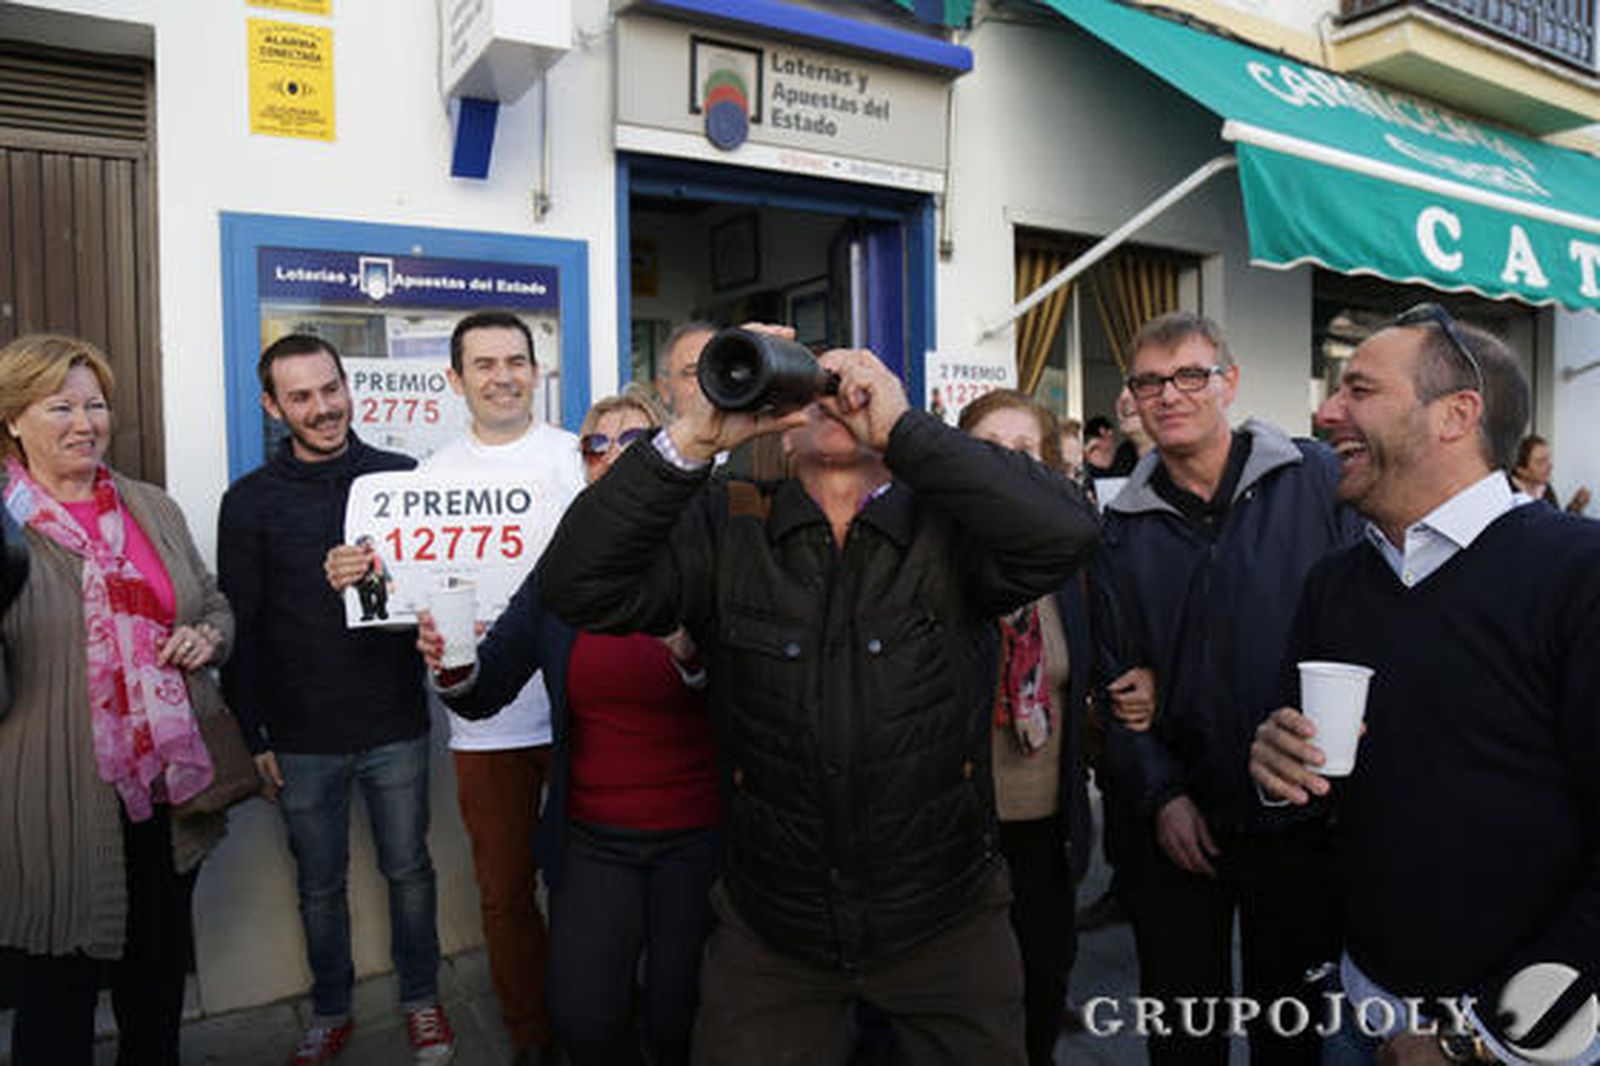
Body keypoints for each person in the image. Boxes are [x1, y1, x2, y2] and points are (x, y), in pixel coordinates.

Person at [538, 331, 1099, 1065]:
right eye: (814, 388)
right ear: (785, 421)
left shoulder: (950, 533)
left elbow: (1068, 532)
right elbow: (577, 585)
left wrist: (905, 429)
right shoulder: (728, 523)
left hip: (945, 915)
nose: (833, 400)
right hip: (774, 925)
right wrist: (690, 440)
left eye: (854, 383)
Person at [1250, 304, 1600, 1066]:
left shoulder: (1580, 574)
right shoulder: (1333, 585)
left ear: (1456, 416)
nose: (1326, 410)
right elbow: (1305, 813)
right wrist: (1277, 777)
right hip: (1358, 1011)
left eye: (1359, 390)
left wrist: (1481, 1039)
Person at [423, 385, 719, 1066]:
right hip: (593, 837)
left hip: (699, 839)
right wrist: (452, 664)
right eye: (597, 444)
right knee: (584, 1022)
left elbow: (766, 692)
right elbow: (483, 690)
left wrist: (691, 654)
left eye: (638, 443)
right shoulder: (565, 570)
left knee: (681, 1024)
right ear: (582, 464)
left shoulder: (716, 555)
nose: (614, 457)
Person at [1094, 311, 1358, 1066]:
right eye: (1149, 381)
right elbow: (1116, 682)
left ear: (1228, 383)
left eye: (1190, 375)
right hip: (1179, 820)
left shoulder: (1315, 479)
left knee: (1294, 1030)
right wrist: (1161, 796)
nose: (1169, 395)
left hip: (1303, 816)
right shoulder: (1117, 530)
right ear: (1133, 400)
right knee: (1183, 1032)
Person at [217, 334, 453, 1066]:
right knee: (318, 886)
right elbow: (240, 628)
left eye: (331, 389)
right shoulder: (249, 502)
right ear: (272, 406)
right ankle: (330, 1009)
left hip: (393, 720)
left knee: (409, 871)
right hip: (298, 733)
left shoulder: (400, 477)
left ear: (348, 386)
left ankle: (422, 1000)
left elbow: (431, 596)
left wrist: (379, 579)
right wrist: (251, 735)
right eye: (301, 397)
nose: (322, 409)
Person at [0, 334, 234, 1066]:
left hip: (163, 793)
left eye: (94, 404)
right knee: (54, 998)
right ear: (13, 420)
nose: (83, 422)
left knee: (156, 984)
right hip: (50, 799)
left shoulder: (150, 506)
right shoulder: (5, 525)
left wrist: (205, 637)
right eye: (59, 406)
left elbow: (216, 604)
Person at [420, 310, 585, 1065]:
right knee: (505, 893)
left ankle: (601, 1014)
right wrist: (362, 577)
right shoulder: (429, 480)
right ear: (456, 380)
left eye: (516, 360)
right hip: (486, 727)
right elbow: (405, 598)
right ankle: (531, 1035)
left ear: (537, 370)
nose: (503, 376)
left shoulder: (580, 459)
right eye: (483, 364)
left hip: (583, 710)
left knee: (591, 886)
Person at [958, 389, 1096, 1066]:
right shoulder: (934, 560)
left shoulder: (1071, 567)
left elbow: (1100, 665)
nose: (1008, 466)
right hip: (954, 835)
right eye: (989, 450)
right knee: (963, 1016)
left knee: (1041, 992)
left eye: (1025, 451)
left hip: (1048, 832)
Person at [1510, 433, 1590, 513]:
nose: (1549, 466)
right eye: (1540, 462)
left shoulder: (1545, 489)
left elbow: (1557, 522)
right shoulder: (1507, 494)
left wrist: (1576, 505)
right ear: (1521, 470)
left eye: (1548, 459)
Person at [655, 321, 716, 419]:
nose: (708, 383)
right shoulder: (653, 434)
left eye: (717, 371)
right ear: (664, 390)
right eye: (693, 373)